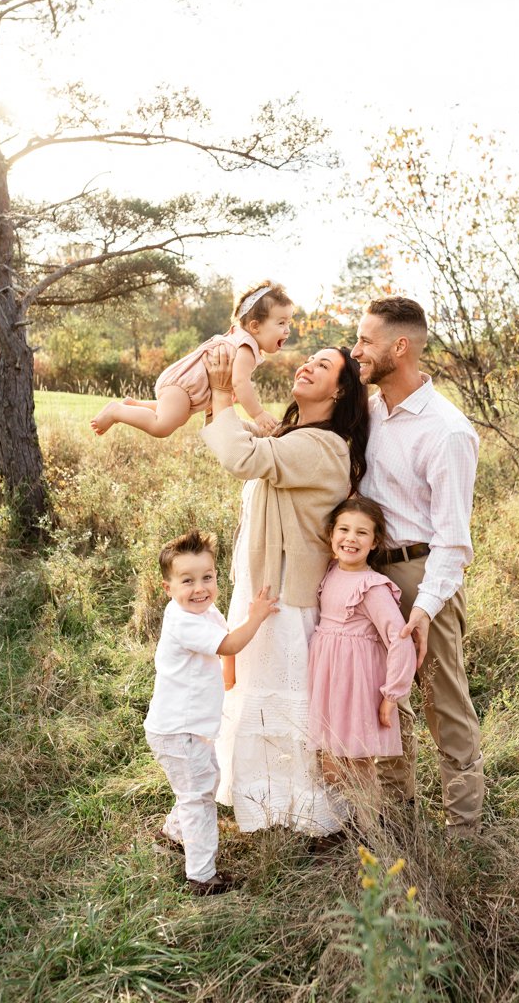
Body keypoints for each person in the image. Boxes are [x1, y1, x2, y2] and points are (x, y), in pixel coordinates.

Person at [200, 343, 369, 834]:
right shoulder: (296, 437)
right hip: (262, 584)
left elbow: (238, 455)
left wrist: (220, 391)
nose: (307, 365)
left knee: (277, 693)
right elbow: (245, 441)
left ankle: (293, 810)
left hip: (284, 596)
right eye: (308, 358)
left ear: (340, 390)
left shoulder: (323, 446)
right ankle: (259, 795)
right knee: (252, 687)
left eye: (323, 365)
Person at [351, 296, 484, 836]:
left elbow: (453, 541)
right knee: (381, 692)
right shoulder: (369, 409)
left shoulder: (447, 431)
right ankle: (395, 808)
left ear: (398, 346)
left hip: (420, 572)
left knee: (441, 695)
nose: (355, 350)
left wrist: (426, 609)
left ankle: (464, 828)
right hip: (365, 573)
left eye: (365, 340)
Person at [144, 529, 279, 894]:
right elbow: (232, 641)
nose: (200, 587)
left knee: (202, 783)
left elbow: (223, 642)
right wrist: (258, 616)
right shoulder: (184, 620)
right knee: (199, 798)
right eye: (187, 581)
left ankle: (174, 831)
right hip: (177, 730)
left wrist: (228, 676)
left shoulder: (204, 609)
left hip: (188, 726)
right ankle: (202, 876)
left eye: (207, 577)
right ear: (167, 588)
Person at [307, 496, 417, 828]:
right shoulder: (329, 572)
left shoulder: (372, 587)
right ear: (331, 535)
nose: (350, 539)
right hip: (329, 681)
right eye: (343, 529)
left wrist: (391, 694)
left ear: (375, 542)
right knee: (329, 760)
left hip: (356, 686)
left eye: (361, 533)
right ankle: (343, 824)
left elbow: (400, 639)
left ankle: (371, 833)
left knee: (358, 762)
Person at [90, 281, 293, 438]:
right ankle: (116, 411)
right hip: (184, 385)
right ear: (255, 326)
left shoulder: (239, 336)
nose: (287, 329)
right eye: (281, 322)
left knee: (179, 415)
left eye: (289, 322)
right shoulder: (247, 348)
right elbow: (241, 382)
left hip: (184, 386)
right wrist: (257, 414)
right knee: (162, 427)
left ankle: (133, 406)